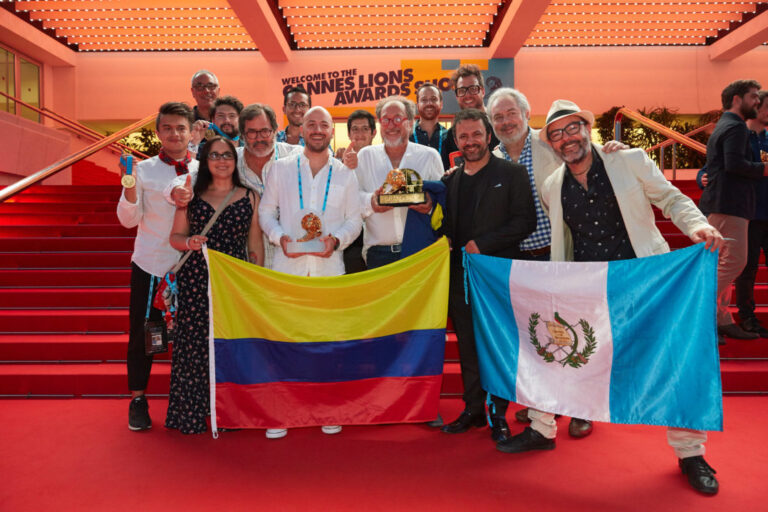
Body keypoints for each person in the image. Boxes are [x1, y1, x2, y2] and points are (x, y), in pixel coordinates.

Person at [502, 99, 724, 496]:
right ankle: (541, 428)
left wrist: (697, 227)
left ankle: (691, 453)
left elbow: (672, 199)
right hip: (587, 288)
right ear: (551, 144)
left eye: (572, 128)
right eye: (557, 134)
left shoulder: (629, 161)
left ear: (586, 129)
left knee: (674, 361)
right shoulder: (552, 186)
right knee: (558, 352)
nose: (567, 138)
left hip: (646, 282)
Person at [487, 87, 627, 437]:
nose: (506, 122)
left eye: (511, 113)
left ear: (525, 114)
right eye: (498, 117)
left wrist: (613, 150)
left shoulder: (550, 143)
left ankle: (580, 408)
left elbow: (586, 156)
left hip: (558, 256)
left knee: (575, 333)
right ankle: (545, 404)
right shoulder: (492, 157)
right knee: (537, 338)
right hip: (520, 263)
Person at [259, 107, 362, 439]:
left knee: (326, 344)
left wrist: (337, 240)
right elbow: (266, 212)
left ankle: (327, 407)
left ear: (332, 131)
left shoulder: (345, 174)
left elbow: (354, 220)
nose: (317, 130)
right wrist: (279, 238)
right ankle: (282, 411)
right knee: (286, 342)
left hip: (329, 270)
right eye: (311, 124)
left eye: (324, 125)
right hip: (288, 268)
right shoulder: (280, 168)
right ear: (301, 129)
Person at [439, 108, 537, 444]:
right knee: (467, 345)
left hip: (497, 276)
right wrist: (444, 237)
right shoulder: (450, 180)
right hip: (460, 278)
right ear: (456, 141)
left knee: (497, 345)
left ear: (488, 136)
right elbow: (445, 224)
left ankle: (498, 413)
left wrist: (484, 244)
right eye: (463, 136)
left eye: (476, 134)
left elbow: (525, 221)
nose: (470, 141)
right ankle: (473, 409)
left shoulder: (512, 173)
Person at [166, 136, 264, 435]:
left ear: (236, 160)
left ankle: (230, 413)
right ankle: (191, 414)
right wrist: (189, 242)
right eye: (214, 155)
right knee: (194, 346)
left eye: (227, 155)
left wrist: (255, 284)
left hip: (233, 282)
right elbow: (175, 238)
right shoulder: (190, 196)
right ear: (205, 161)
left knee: (230, 344)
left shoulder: (250, 196)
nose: (222, 161)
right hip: (196, 279)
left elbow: (255, 246)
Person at [116, 101, 199, 431]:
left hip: (192, 265)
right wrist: (129, 188)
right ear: (158, 132)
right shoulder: (143, 169)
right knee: (145, 335)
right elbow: (128, 220)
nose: (175, 134)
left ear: (191, 131)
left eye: (181, 128)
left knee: (193, 335)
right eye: (168, 128)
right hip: (151, 265)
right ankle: (138, 398)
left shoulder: (205, 168)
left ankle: (191, 400)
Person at [166, 103, 300, 269]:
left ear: (275, 130)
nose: (259, 138)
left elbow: (324, 164)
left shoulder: (295, 156)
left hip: (291, 262)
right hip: (244, 266)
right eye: (252, 132)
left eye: (265, 131)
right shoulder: (229, 160)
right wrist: (176, 191)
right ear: (242, 134)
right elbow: (189, 179)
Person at [699, 80, 768, 344]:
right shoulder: (736, 127)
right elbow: (733, 164)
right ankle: (700, 312)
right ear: (737, 99)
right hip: (730, 205)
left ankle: (722, 319)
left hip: (728, 204)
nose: (757, 102)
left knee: (724, 262)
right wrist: (764, 169)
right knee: (735, 262)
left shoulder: (727, 125)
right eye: (753, 97)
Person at [356, 96, 444, 268]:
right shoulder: (365, 156)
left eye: (398, 119)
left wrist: (430, 204)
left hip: (421, 250)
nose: (391, 125)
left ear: (410, 123)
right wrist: (371, 202)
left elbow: (443, 202)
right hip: (378, 254)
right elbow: (351, 201)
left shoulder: (430, 156)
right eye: (385, 120)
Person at [732, 90, 768, 338]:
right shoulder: (737, 137)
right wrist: (704, 179)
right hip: (749, 216)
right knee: (748, 269)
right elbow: (711, 169)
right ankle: (747, 317)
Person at [336, 109, 378, 273]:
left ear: (374, 133)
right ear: (348, 134)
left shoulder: (383, 161)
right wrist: (343, 167)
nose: (360, 134)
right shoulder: (337, 164)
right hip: (351, 242)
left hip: (378, 239)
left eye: (365, 129)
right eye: (355, 129)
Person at [440, 64, 499, 169]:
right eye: (462, 90)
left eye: (473, 89)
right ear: (457, 96)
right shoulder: (451, 135)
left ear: (482, 91)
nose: (467, 95)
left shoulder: (500, 126)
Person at [409, 83, 446, 153]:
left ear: (441, 104)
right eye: (424, 100)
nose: (429, 103)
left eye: (434, 99)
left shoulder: (449, 137)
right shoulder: (407, 135)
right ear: (418, 105)